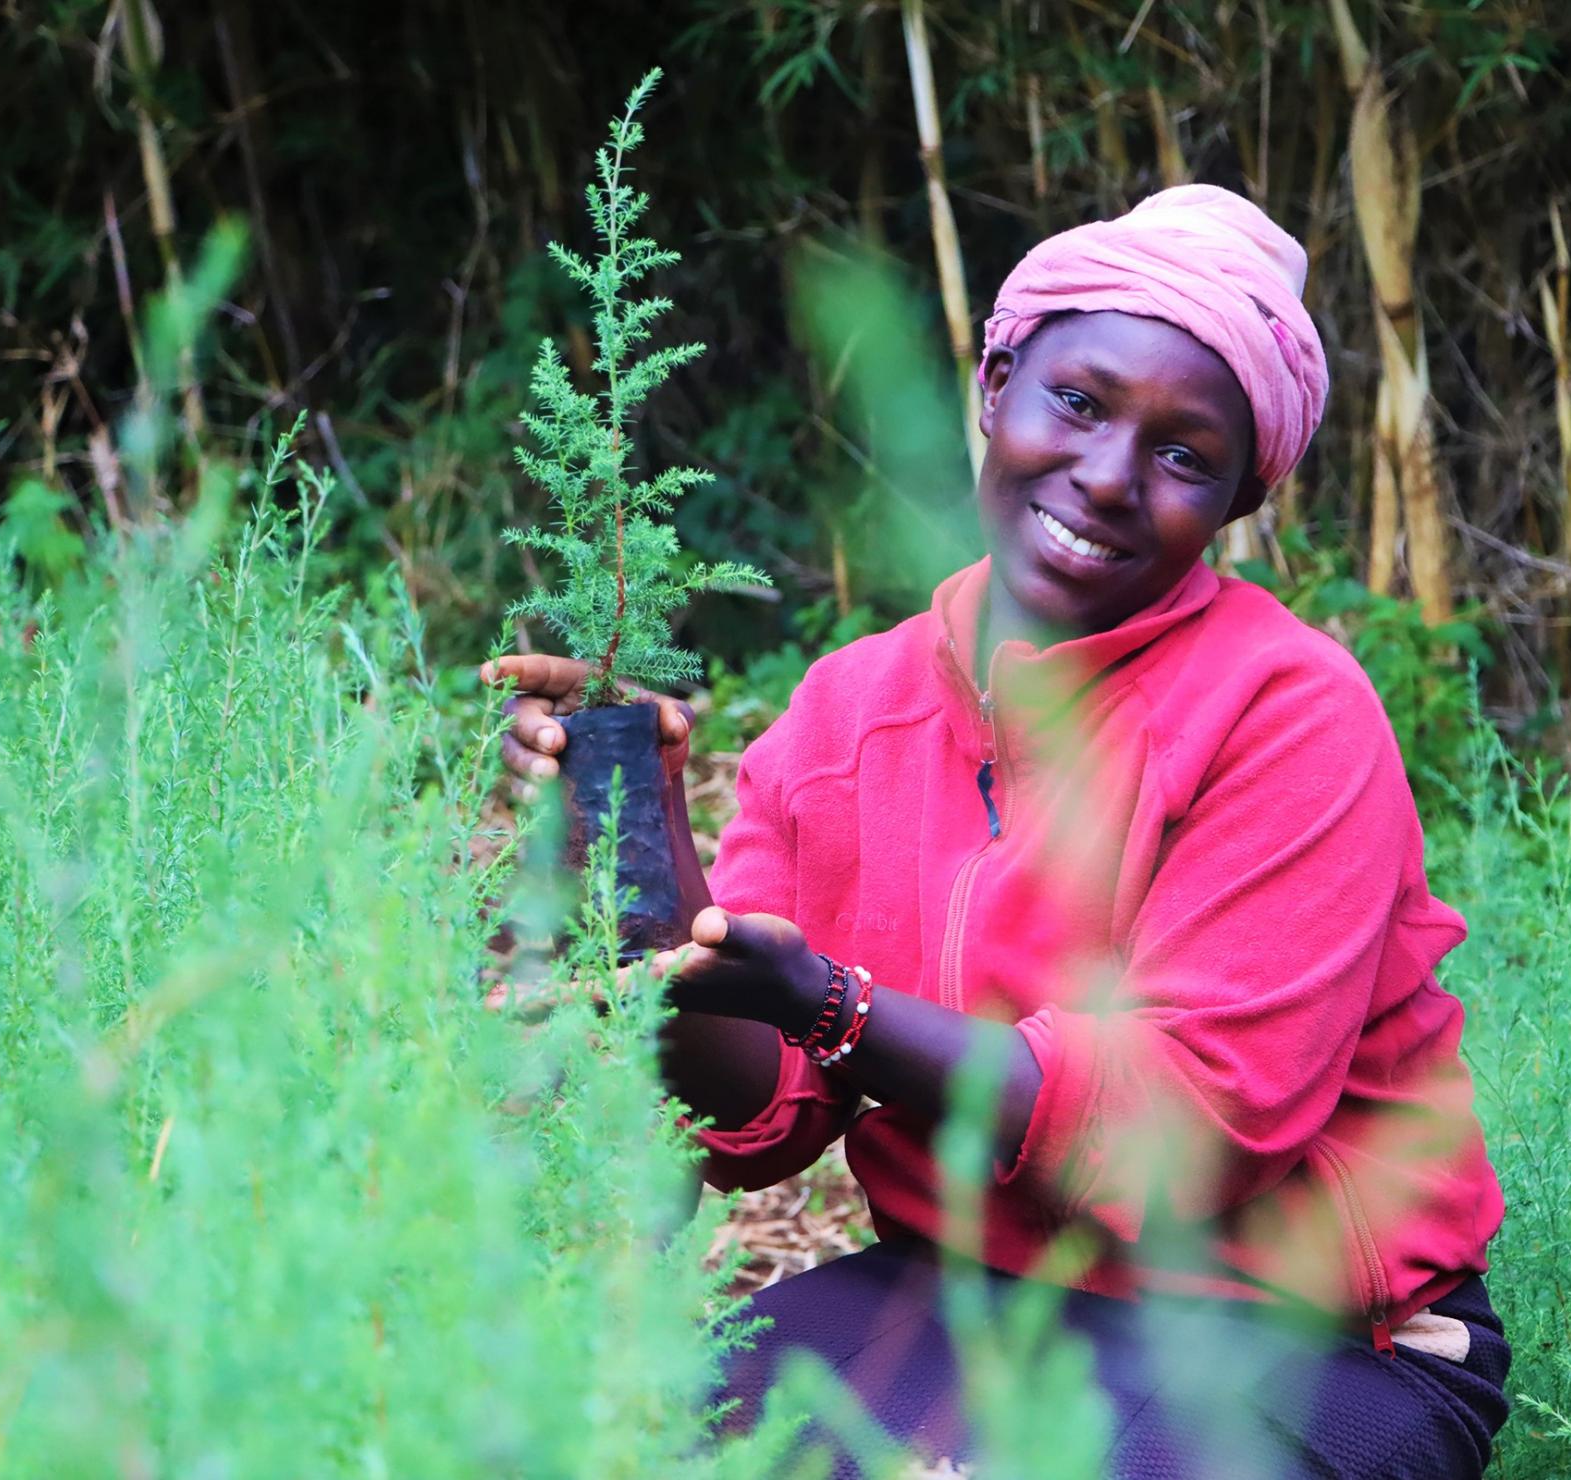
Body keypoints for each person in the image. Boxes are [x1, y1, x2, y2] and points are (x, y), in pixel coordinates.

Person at [482, 185, 1508, 1478]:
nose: (1108, 476)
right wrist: (625, 837)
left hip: (1301, 1338)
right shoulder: (850, 711)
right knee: (655, 1444)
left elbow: (1186, 1143)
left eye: (1185, 455)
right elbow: (759, 1108)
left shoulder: (1290, 712)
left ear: (1242, 498)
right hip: (965, 1293)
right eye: (1078, 403)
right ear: (997, 383)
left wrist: (838, 1007)